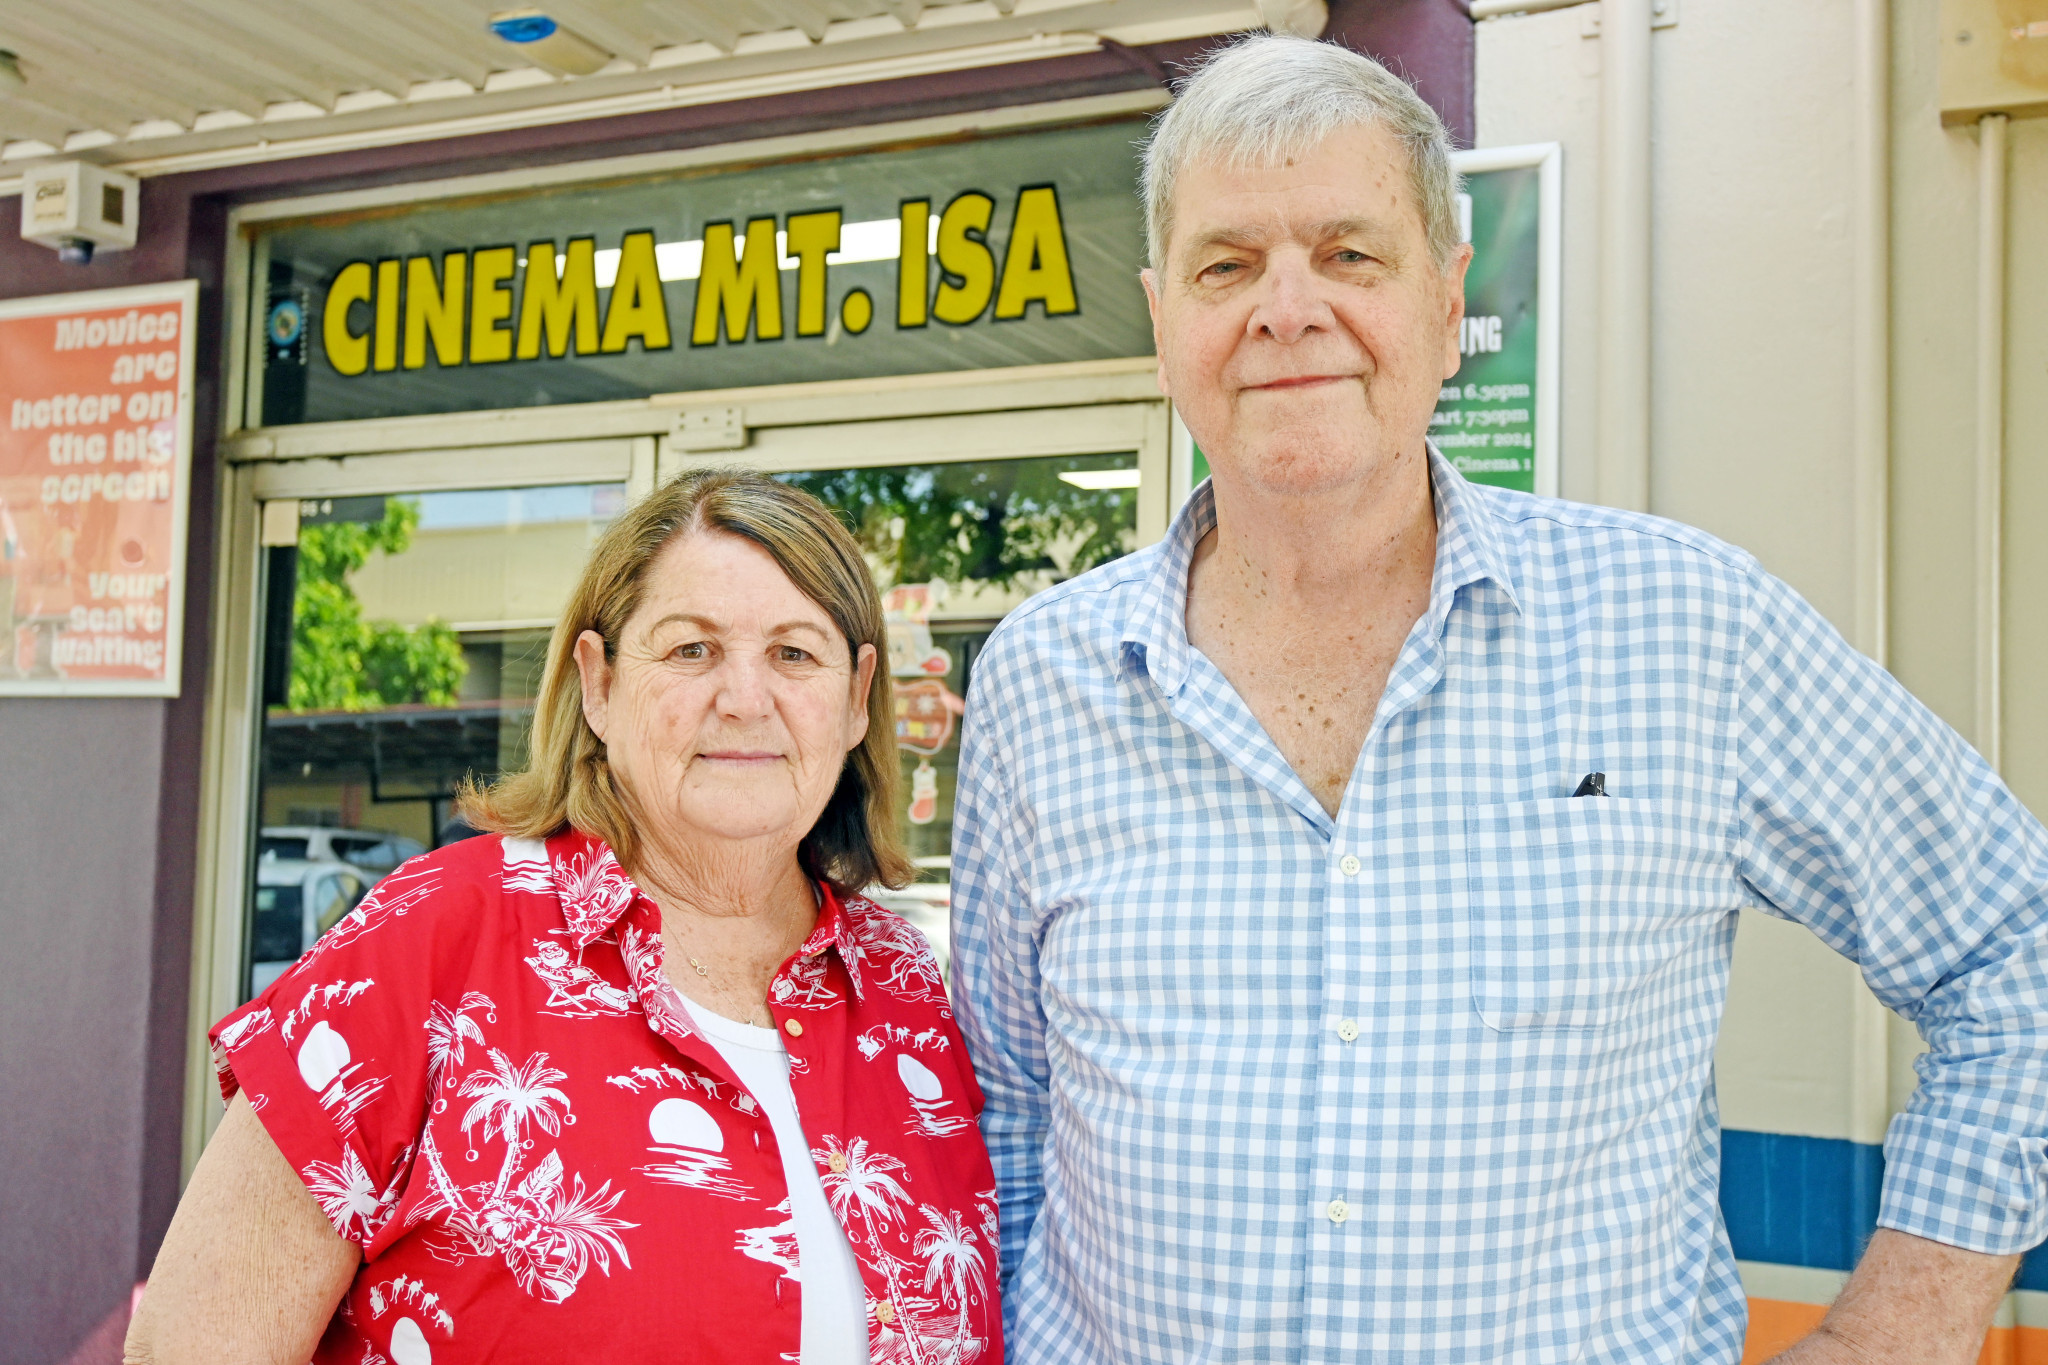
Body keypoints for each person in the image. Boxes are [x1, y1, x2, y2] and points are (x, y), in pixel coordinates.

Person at [949, 33, 2048, 1365]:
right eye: (1227, 265)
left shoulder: (1684, 630)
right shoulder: (1041, 677)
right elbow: (1006, 1108)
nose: (1286, 309)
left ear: (1447, 293)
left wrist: (1896, 1334)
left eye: (1350, 254)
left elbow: (2015, 950)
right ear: (1164, 317)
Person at [129, 470, 1000, 1365]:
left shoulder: (904, 985)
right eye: (691, 649)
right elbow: (188, 1348)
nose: (745, 698)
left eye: (794, 653)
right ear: (598, 683)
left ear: (856, 699)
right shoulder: (434, 937)